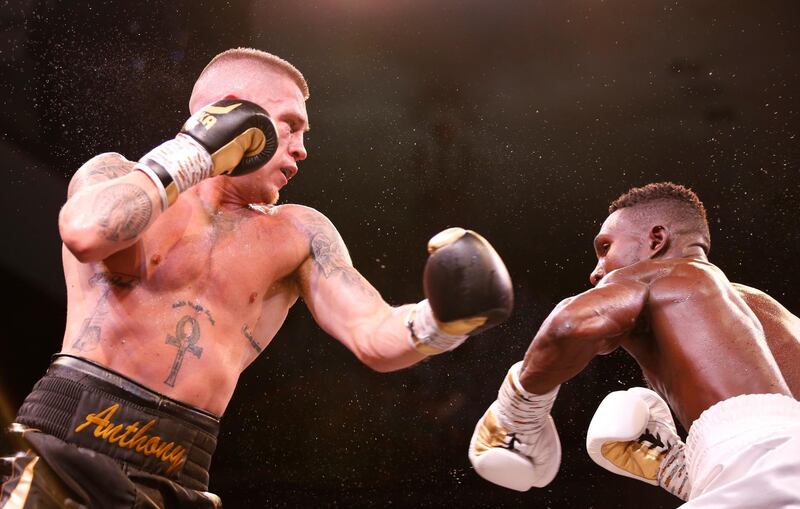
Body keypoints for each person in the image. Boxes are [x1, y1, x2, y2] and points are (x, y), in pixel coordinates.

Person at [0, 47, 514, 508]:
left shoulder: (299, 232)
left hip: (182, 469)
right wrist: (195, 151)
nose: (302, 149)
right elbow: (89, 233)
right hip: (67, 444)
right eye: (290, 125)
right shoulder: (117, 176)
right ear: (234, 112)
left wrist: (443, 320)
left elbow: (374, 337)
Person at [467, 182, 800, 506]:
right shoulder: (771, 314)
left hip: (760, 469)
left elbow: (569, 325)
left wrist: (518, 410)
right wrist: (686, 471)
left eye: (605, 248)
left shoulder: (658, 275)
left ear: (656, 239)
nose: (596, 273)